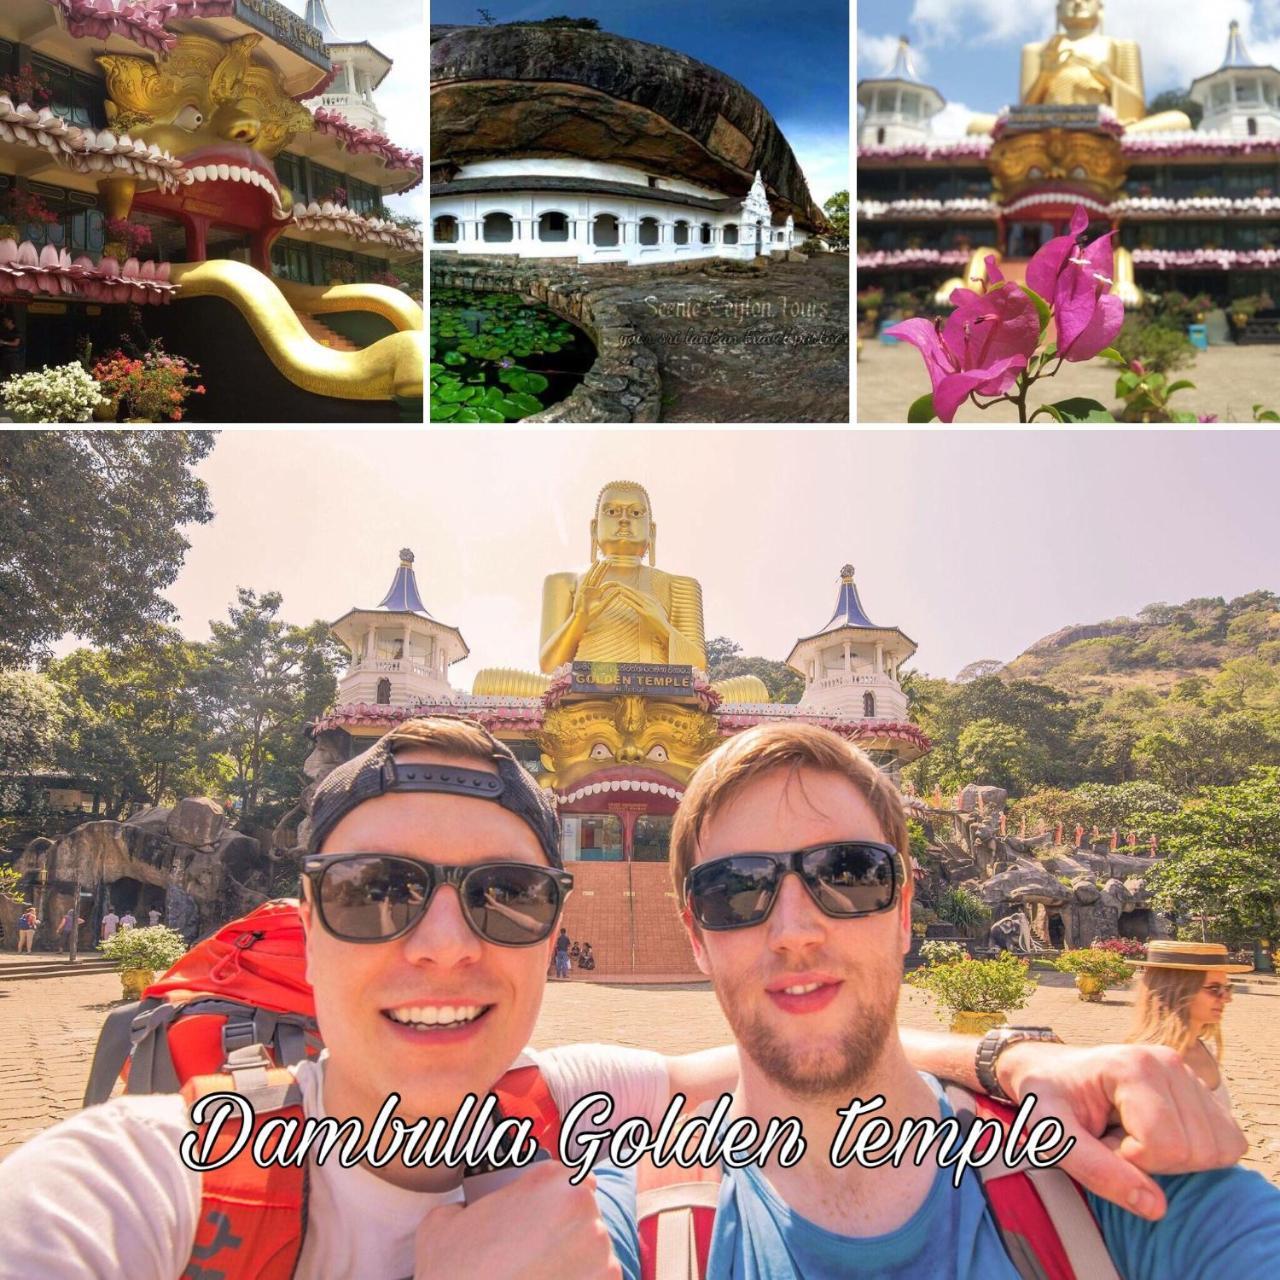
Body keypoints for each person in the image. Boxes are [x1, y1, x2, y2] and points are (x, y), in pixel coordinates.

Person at [0, 717, 1255, 1279]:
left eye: (500, 895)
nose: (443, 944)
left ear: (552, 929)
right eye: (379, 890)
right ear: (301, 919)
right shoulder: (140, 1183)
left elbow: (800, 1038)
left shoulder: (582, 1108)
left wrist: (1013, 1057)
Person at [637, 720, 1279, 1278]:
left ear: (904, 909)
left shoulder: (1106, 1185)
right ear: (696, 935)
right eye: (735, 889)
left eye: (849, 874)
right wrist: (1007, 1056)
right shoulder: (632, 1223)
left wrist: (1008, 1054)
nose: (796, 933)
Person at [1127, 941, 1250, 1111]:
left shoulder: (1206, 1049)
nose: (1227, 998)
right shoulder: (1148, 1062)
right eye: (1214, 988)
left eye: (1227, 988)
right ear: (1178, 990)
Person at [0, 312, 23, 381]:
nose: (4, 323)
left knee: (14, 374)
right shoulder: (4, 331)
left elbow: (16, 343)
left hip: (14, 356)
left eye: (6, 321)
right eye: (4, 321)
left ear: (10, 321)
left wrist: (4, 342)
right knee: (5, 374)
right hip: (5, 355)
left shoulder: (16, 331)